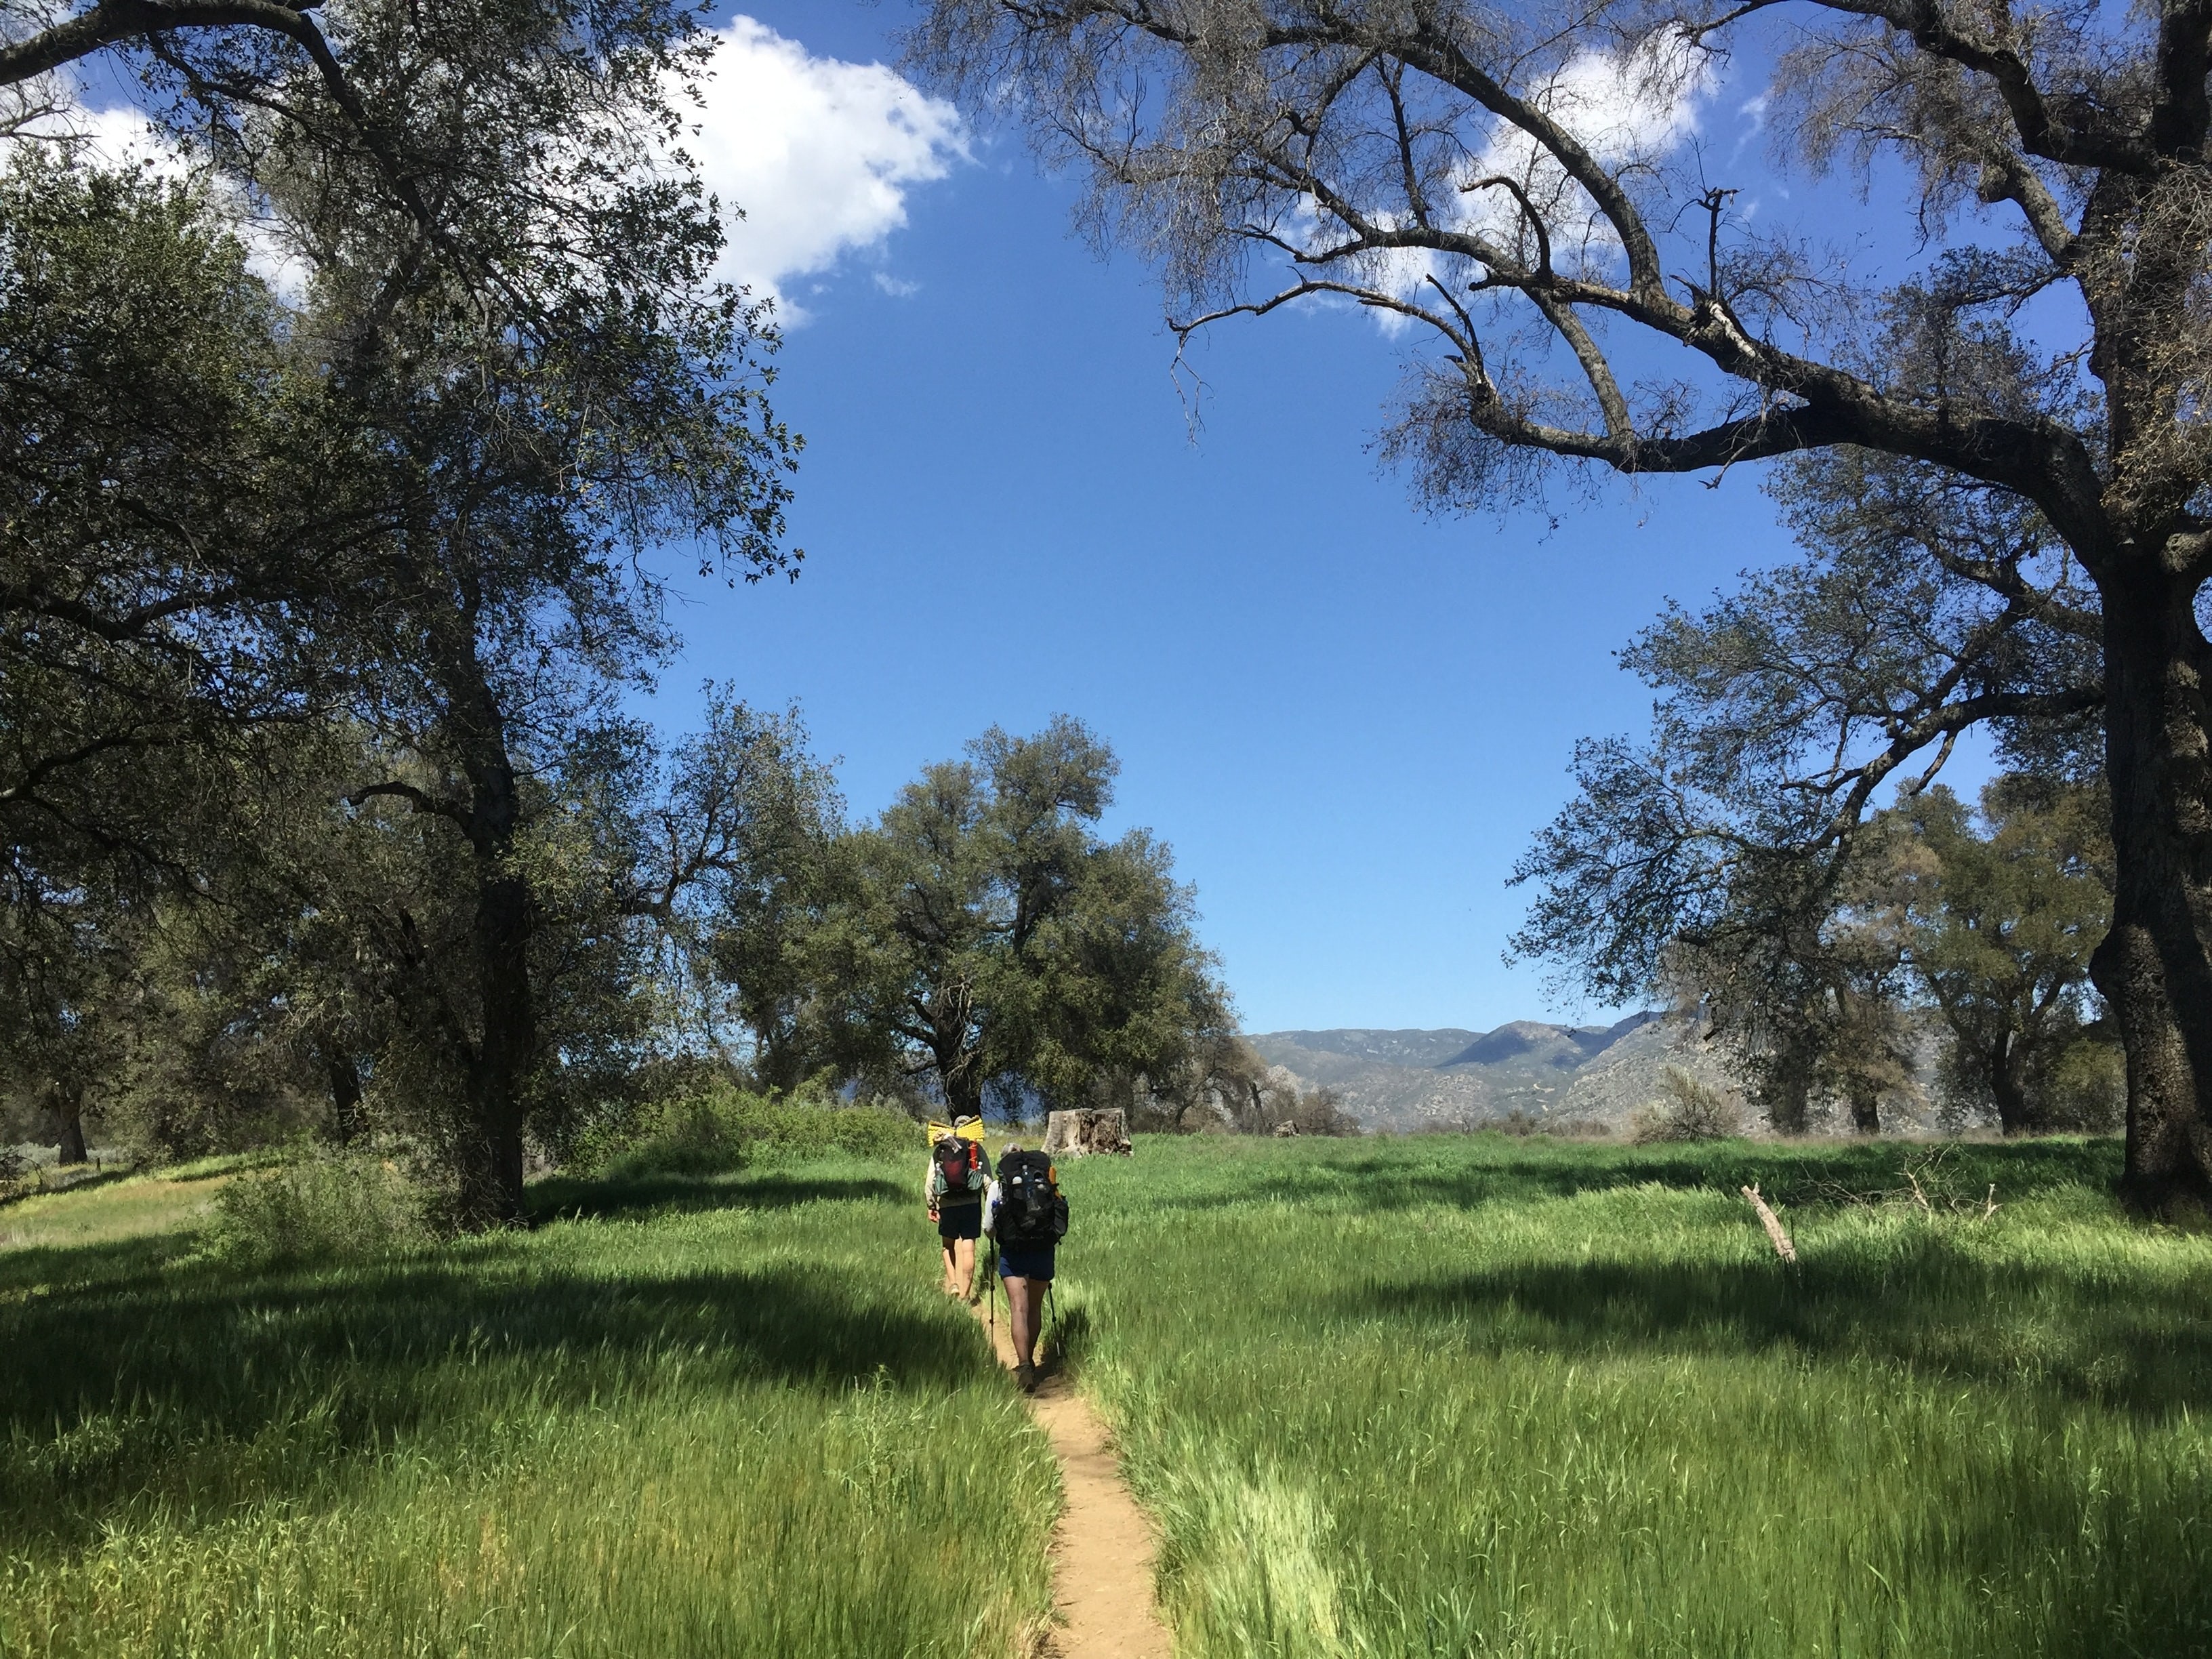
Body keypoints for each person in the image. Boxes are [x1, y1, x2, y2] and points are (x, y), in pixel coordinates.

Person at [983, 1142, 1065, 1393]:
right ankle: (1030, 1360)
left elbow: (988, 1227)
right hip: (1042, 1249)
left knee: (1019, 1308)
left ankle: (1024, 1365)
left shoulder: (999, 1186)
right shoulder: (1043, 1181)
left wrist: (997, 1235)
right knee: (1035, 1308)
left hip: (1014, 1251)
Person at [924, 1116, 990, 1300]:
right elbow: (987, 1179)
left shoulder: (942, 1148)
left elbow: (931, 1180)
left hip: (947, 1203)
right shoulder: (975, 1147)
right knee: (968, 1250)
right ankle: (966, 1294)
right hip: (971, 1203)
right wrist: (989, 1201)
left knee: (948, 1247)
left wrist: (931, 1204)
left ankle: (953, 1283)